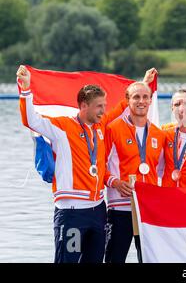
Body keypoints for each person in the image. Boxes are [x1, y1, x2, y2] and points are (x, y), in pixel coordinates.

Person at [16, 65, 139, 263]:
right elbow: (31, 120)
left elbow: (121, 107)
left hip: (98, 209)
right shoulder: (62, 127)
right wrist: (26, 89)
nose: (103, 110)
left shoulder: (100, 127)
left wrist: (144, 83)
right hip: (71, 211)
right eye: (99, 106)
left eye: (104, 105)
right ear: (83, 105)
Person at [104, 69, 165, 263]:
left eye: (145, 97)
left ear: (150, 100)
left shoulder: (158, 133)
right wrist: (114, 182)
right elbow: (99, 165)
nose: (141, 101)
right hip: (119, 207)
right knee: (114, 259)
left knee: (148, 259)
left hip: (147, 209)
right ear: (127, 100)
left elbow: (162, 171)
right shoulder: (112, 129)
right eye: (136, 97)